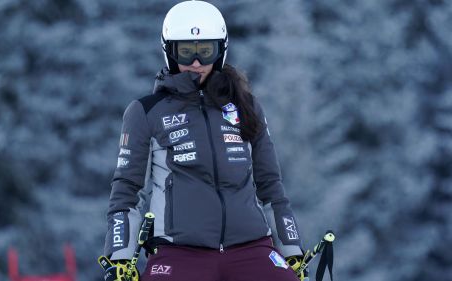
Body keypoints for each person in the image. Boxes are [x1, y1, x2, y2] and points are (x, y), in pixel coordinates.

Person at [102, 1, 307, 280]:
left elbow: (271, 187)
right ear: (170, 52)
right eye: (186, 51)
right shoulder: (146, 111)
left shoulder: (245, 106)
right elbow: (127, 191)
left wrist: (292, 250)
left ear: (220, 50)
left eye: (205, 50)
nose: (196, 62)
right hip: (179, 252)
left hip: (251, 248)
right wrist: (119, 259)